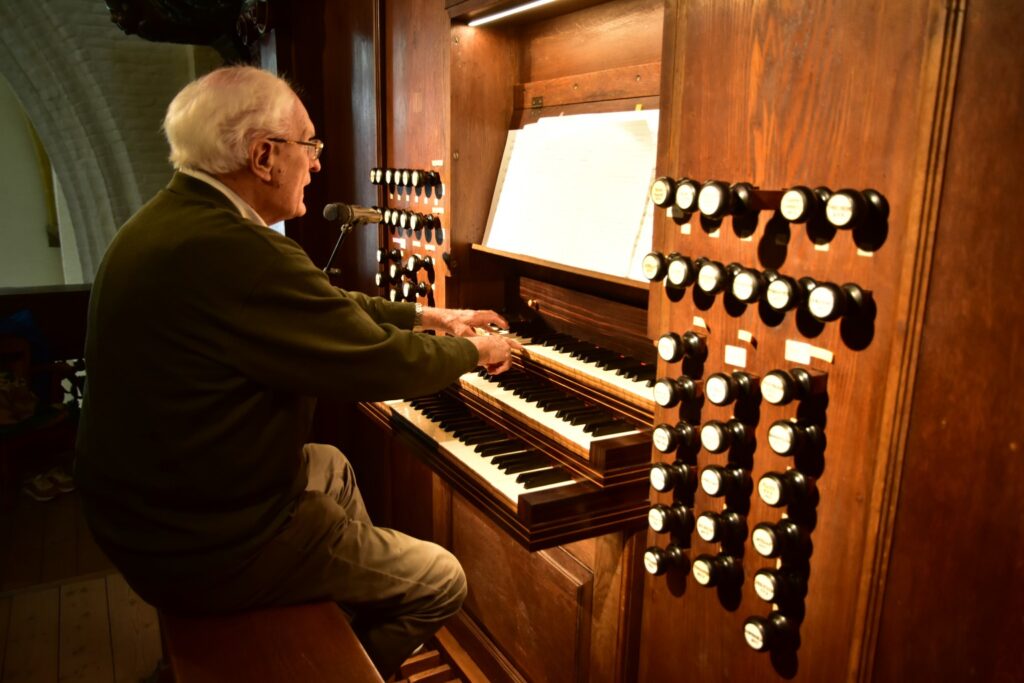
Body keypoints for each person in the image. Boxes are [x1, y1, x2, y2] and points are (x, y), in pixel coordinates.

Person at [74, 65, 520, 679]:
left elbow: (322, 306)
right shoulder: (237, 251)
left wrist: (429, 315)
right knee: (440, 580)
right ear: (263, 155)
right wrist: (478, 352)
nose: (316, 163)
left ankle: (336, 624)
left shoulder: (174, 220)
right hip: (203, 545)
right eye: (309, 144)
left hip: (153, 516)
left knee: (330, 464)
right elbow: (378, 362)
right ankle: (325, 665)